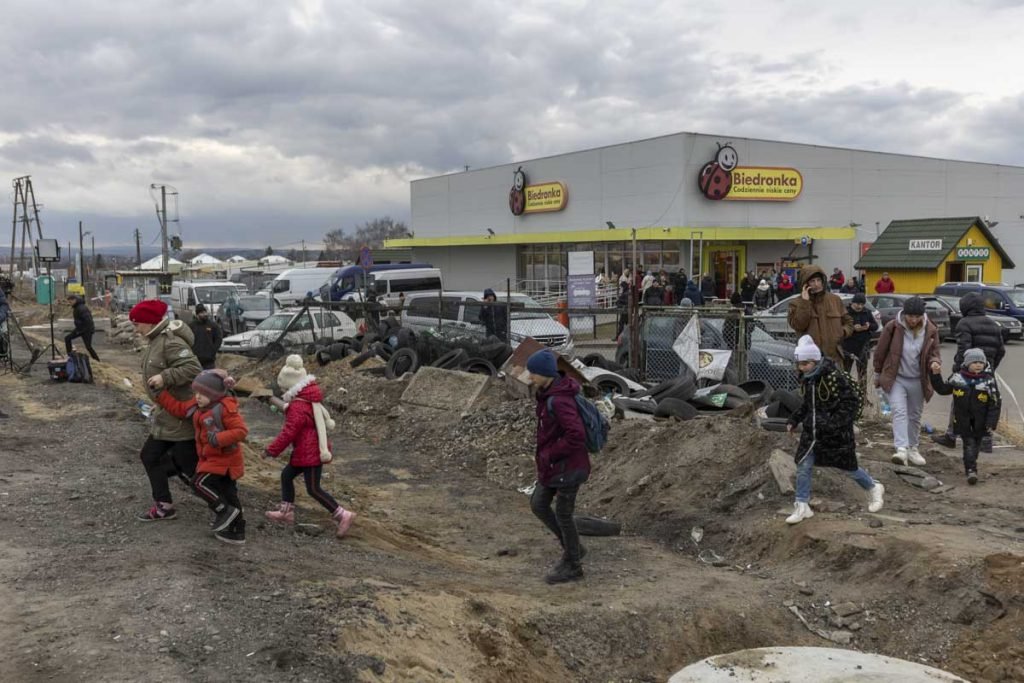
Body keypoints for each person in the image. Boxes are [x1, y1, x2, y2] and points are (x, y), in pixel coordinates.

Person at [784, 335, 884, 524]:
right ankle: (802, 505)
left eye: (805, 364)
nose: (801, 368)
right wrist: (794, 419)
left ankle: (872, 486)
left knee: (847, 467)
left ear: (815, 361)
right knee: (804, 466)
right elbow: (807, 404)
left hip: (835, 434)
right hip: (812, 434)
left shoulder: (834, 377)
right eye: (800, 364)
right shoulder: (808, 380)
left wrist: (833, 423)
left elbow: (851, 403)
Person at [264, 355, 356, 538]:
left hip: (310, 453)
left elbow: (289, 432)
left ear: (290, 386)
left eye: (283, 387)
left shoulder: (298, 407)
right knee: (286, 476)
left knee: (313, 488)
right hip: (304, 452)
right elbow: (291, 415)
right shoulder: (307, 400)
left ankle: (342, 514)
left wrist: (271, 450)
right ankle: (286, 511)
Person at [155, 369, 249, 543]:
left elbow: (241, 431)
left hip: (223, 458)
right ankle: (237, 530)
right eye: (196, 392)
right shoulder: (200, 406)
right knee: (228, 493)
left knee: (198, 483)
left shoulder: (225, 408)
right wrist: (160, 395)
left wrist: (219, 439)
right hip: (212, 457)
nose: (197, 397)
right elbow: (180, 409)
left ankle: (223, 510)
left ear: (214, 394)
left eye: (202, 394)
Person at [131, 299, 203, 522]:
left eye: (137, 323)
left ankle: (225, 505)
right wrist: (159, 401)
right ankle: (164, 505)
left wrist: (165, 377)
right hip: (167, 414)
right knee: (150, 456)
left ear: (149, 321)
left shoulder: (169, 342)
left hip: (180, 419)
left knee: (189, 467)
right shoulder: (155, 340)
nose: (135, 327)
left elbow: (193, 368)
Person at [526, 349, 590, 584]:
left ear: (544, 373)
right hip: (553, 467)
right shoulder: (547, 394)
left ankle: (573, 565)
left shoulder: (559, 400)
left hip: (568, 468)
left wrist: (551, 455)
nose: (530, 376)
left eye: (533, 372)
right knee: (538, 504)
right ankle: (573, 547)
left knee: (564, 514)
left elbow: (576, 435)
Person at [872, 297, 941, 467]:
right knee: (899, 411)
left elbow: (935, 352)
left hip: (918, 379)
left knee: (914, 415)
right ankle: (901, 449)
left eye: (917, 316)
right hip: (897, 378)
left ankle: (913, 448)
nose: (913, 320)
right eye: (910, 316)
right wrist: (877, 372)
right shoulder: (893, 327)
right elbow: (880, 351)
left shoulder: (930, 329)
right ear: (904, 314)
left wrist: (935, 362)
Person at [933, 292, 1005, 451]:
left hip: (967, 373)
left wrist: (958, 370)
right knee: (985, 405)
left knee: (959, 403)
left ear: (965, 307)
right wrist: (990, 367)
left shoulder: (964, 323)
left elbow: (963, 350)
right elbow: (1001, 350)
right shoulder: (994, 324)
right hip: (987, 372)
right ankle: (985, 440)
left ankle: (951, 436)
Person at [929, 349, 1001, 485]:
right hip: (963, 421)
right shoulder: (957, 378)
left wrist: (992, 422)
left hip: (981, 422)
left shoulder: (988, 381)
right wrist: (935, 375)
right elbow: (942, 389)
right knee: (968, 445)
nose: (978, 365)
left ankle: (971, 465)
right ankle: (971, 471)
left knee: (976, 446)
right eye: (975, 362)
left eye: (981, 362)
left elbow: (995, 402)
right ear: (967, 364)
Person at [786, 265, 853, 365]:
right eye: (812, 281)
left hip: (834, 358)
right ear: (805, 284)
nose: (816, 284)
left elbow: (848, 322)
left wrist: (842, 332)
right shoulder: (796, 303)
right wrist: (805, 303)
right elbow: (799, 325)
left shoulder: (834, 300)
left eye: (818, 280)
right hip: (810, 361)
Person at [841, 293, 878, 383]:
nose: (859, 306)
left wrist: (868, 326)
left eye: (862, 304)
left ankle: (863, 394)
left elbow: (875, 326)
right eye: (857, 304)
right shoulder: (845, 312)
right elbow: (839, 328)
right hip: (848, 346)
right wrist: (852, 328)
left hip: (863, 346)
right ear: (852, 303)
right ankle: (846, 393)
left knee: (862, 373)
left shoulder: (867, 312)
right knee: (846, 373)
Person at [65, 294, 100, 361]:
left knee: (88, 347)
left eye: (70, 302)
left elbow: (88, 320)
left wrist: (83, 330)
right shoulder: (77, 307)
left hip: (86, 330)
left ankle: (97, 360)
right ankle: (70, 356)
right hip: (80, 329)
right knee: (67, 338)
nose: (70, 304)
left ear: (74, 300)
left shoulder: (81, 308)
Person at [188, 304, 223, 370]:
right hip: (195, 360)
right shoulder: (192, 326)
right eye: (202, 313)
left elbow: (219, 338)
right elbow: (187, 339)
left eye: (205, 312)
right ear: (197, 314)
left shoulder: (212, 325)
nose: (204, 314)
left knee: (209, 378)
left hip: (209, 360)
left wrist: (213, 350)